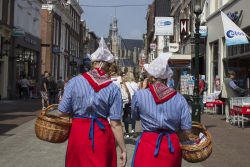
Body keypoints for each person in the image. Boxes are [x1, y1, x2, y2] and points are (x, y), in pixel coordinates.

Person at [58, 37, 127, 167]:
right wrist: (123, 149)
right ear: (109, 66)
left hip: (78, 134)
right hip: (101, 135)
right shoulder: (113, 88)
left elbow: (62, 112)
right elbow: (115, 123)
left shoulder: (74, 82)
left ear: (92, 63)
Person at [131, 52, 192, 167]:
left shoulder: (139, 95)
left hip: (148, 144)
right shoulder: (179, 98)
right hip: (171, 145)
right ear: (166, 78)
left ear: (152, 77)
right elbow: (186, 129)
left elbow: (135, 117)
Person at [121, 71, 139, 138]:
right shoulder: (135, 84)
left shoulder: (124, 84)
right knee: (133, 116)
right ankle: (133, 130)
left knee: (125, 116)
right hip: (133, 102)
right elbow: (137, 93)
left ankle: (127, 132)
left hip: (126, 102)